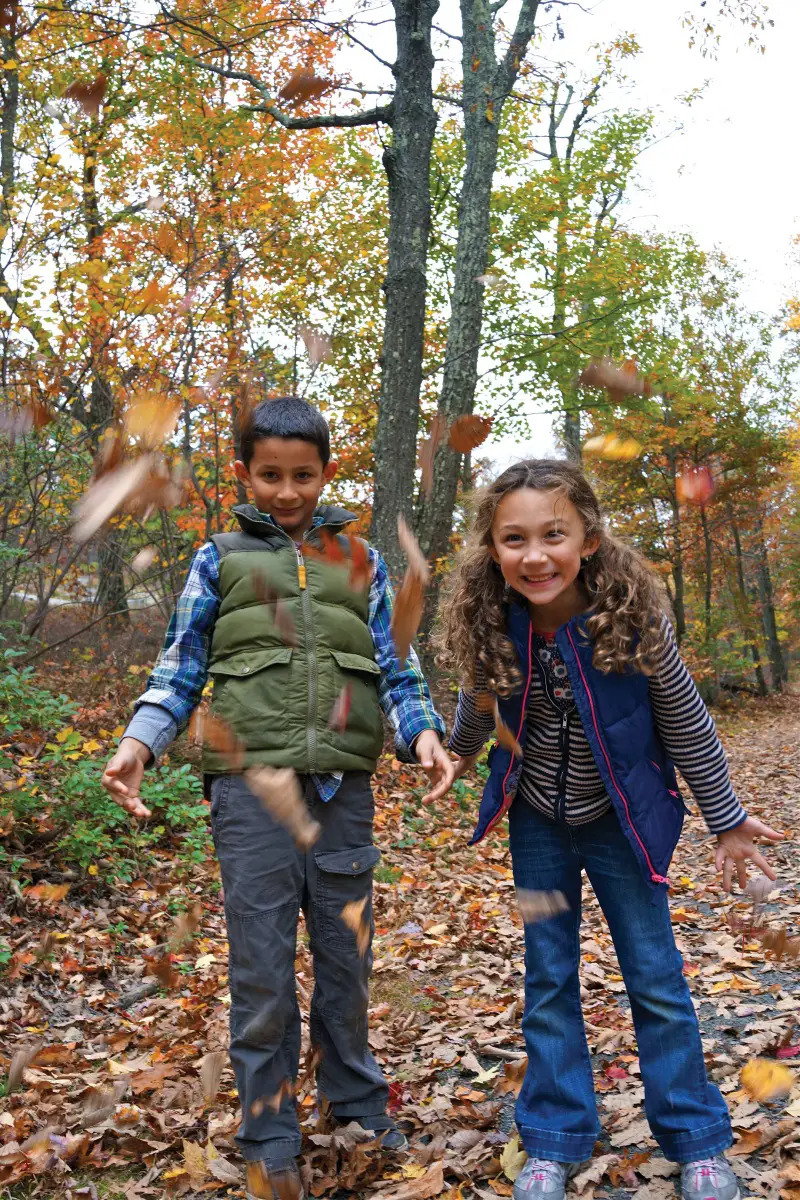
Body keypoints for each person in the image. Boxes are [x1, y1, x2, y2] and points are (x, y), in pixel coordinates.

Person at [101, 397, 454, 1200]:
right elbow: (179, 667)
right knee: (261, 969)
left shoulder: (360, 560)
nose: (288, 491)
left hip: (341, 794)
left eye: (303, 475)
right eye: (270, 475)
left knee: (345, 959)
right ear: (244, 475)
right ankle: (268, 1130)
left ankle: (356, 1103)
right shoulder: (217, 560)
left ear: (327, 472)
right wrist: (138, 744)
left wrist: (423, 735)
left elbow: (398, 670)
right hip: (249, 795)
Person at [435, 458, 781, 1200]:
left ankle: (697, 1142)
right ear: (493, 550)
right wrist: (457, 755)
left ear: (587, 538)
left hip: (622, 821)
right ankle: (554, 1140)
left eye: (553, 535)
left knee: (655, 979)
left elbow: (685, 723)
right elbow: (478, 706)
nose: (535, 555)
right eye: (514, 539)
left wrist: (726, 819)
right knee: (548, 977)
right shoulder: (493, 621)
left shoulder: (630, 619)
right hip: (536, 823)